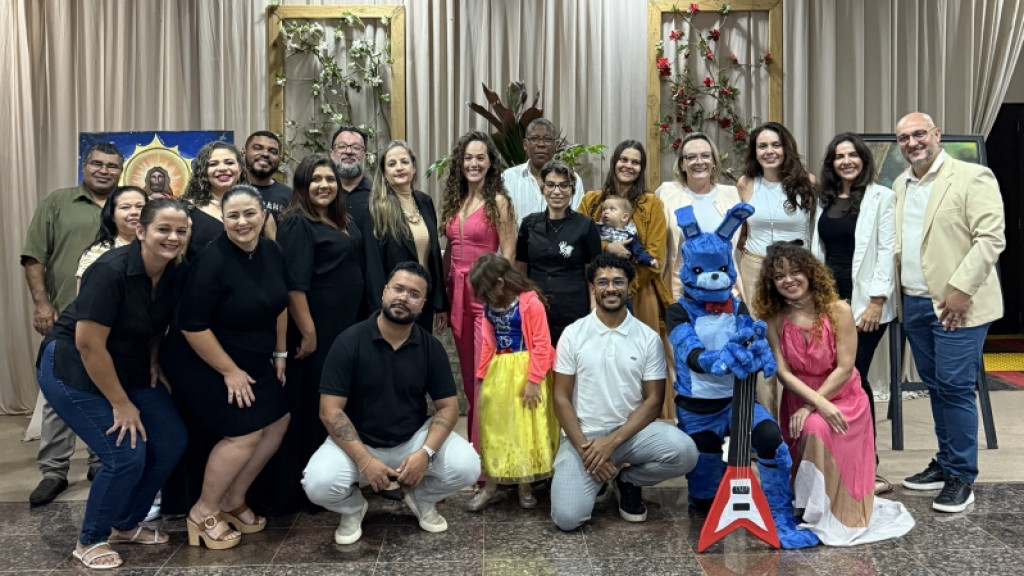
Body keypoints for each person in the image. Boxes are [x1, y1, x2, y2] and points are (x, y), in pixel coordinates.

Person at [36, 198, 190, 569]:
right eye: (163, 229)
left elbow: (156, 324)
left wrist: (154, 359)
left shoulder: (175, 271)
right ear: (141, 230)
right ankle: (90, 539)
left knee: (170, 441)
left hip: (128, 363)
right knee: (125, 453)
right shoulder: (109, 270)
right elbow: (89, 345)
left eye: (181, 231)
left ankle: (125, 524)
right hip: (73, 365)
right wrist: (121, 403)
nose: (172, 237)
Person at [302, 262, 480, 545]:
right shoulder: (349, 341)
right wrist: (365, 460)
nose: (403, 298)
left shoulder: (430, 348)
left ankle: (422, 499)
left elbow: (448, 407)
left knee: (468, 466)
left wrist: (425, 453)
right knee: (317, 484)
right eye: (398, 289)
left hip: (412, 440)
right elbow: (330, 411)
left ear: (422, 304)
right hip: (359, 441)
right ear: (385, 292)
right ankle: (353, 508)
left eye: (414, 294)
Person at [754, 242, 915, 545]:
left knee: (814, 427)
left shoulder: (839, 310)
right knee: (808, 424)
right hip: (800, 395)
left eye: (795, 271)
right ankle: (807, 505)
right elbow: (783, 372)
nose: (788, 280)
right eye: (779, 276)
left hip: (842, 397)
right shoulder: (774, 318)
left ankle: (827, 510)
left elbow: (845, 367)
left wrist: (815, 406)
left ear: (809, 273)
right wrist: (810, 404)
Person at [160, 185, 290, 548]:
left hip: (251, 357)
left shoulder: (272, 251)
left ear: (263, 215)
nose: (242, 222)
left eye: (249, 213)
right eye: (233, 216)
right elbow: (192, 327)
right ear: (223, 220)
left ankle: (234, 499)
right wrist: (229, 372)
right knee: (244, 433)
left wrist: (280, 353)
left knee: (278, 420)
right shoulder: (212, 260)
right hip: (201, 360)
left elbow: (279, 303)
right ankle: (203, 511)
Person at [893, 112, 1006, 513]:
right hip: (915, 302)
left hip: (957, 304)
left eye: (919, 134)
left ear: (936, 134)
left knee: (955, 388)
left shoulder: (973, 177)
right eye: (904, 138)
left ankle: (961, 475)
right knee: (937, 386)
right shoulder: (900, 183)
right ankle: (945, 462)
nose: (912, 143)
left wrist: (960, 290)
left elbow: (990, 238)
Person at [267, 153, 382, 514]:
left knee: (343, 401)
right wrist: (309, 332)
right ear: (303, 185)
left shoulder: (342, 220)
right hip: (318, 329)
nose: (324, 185)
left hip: (346, 325)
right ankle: (309, 490)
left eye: (329, 179)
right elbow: (294, 286)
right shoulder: (296, 223)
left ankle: (342, 478)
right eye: (316, 179)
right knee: (315, 405)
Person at [550, 254, 697, 531]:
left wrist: (612, 442)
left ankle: (627, 479)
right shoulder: (573, 333)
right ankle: (597, 474)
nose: (611, 288)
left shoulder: (647, 338)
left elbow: (654, 401)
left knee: (686, 452)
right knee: (567, 519)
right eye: (602, 282)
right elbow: (560, 398)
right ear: (593, 288)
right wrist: (586, 451)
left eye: (618, 282)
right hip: (585, 438)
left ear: (630, 286)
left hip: (631, 435)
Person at [21, 142, 124, 506]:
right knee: (58, 395)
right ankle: (54, 470)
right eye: (97, 163)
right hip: (66, 316)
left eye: (112, 166)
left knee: (106, 390)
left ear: (121, 171)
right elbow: (34, 256)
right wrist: (41, 304)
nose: (104, 170)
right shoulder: (58, 202)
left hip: (116, 323)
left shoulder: (127, 205)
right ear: (84, 165)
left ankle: (100, 461)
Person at [811, 133, 897, 495]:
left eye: (852, 154)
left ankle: (867, 466)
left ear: (863, 159)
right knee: (831, 377)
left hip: (865, 306)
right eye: (839, 156)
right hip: (828, 303)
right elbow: (818, 250)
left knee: (854, 379)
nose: (846, 161)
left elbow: (887, 249)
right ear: (831, 163)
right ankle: (835, 459)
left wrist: (877, 300)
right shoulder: (824, 200)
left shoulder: (882, 197)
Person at [578, 141, 673, 419]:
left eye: (635, 162)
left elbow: (655, 255)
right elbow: (579, 243)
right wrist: (607, 248)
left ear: (641, 168)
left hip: (640, 293)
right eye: (624, 159)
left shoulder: (651, 204)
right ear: (614, 162)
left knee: (643, 362)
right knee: (601, 361)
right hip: (597, 293)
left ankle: (652, 425)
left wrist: (625, 290)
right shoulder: (591, 201)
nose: (628, 166)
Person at [439, 131, 516, 450]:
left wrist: (499, 298)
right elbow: (449, 251)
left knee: (484, 376)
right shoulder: (456, 200)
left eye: (479, 158)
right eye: (468, 157)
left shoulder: (498, 202)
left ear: (490, 163)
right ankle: (475, 450)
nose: (473, 163)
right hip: (455, 294)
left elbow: (508, 253)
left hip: (484, 295)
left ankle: (489, 456)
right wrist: (440, 299)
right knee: (469, 380)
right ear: (460, 162)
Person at [466, 253, 558, 511]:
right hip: (500, 371)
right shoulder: (489, 307)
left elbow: (542, 344)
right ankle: (491, 485)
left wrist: (533, 381)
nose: (483, 298)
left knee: (523, 429)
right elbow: (488, 343)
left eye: (486, 290)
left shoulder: (530, 303)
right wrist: (482, 376)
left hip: (526, 371)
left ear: (500, 283)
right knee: (496, 428)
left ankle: (524, 486)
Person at [737, 122, 817, 416]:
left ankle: (796, 415)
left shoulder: (807, 182)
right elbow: (741, 230)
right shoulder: (745, 183)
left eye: (775, 145)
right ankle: (765, 421)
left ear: (786, 148)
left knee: (793, 339)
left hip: (795, 270)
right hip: (755, 266)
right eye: (762, 146)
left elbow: (814, 230)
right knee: (759, 341)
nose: (769, 151)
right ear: (755, 151)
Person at [366, 140, 449, 334]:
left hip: (423, 299)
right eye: (392, 164)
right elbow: (374, 266)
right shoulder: (376, 209)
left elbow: (434, 258)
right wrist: (380, 310)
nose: (399, 168)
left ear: (414, 167)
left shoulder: (425, 202)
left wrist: (440, 303)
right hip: (396, 303)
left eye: (404, 162)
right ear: (384, 172)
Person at [516, 160, 602, 345]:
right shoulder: (529, 224)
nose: (557, 191)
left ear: (572, 190)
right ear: (543, 188)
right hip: (536, 308)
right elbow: (520, 270)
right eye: (551, 185)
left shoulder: (585, 225)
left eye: (564, 185)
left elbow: (593, 274)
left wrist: (594, 309)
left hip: (573, 309)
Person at [657, 132, 742, 302]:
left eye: (705, 156)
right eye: (691, 157)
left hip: (724, 289)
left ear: (714, 162)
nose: (699, 161)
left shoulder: (732, 194)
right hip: (680, 290)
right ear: (682, 164)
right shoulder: (665, 193)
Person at [180, 141, 256, 259]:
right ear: (203, 171)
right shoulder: (186, 210)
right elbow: (178, 261)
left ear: (240, 169)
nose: (222, 168)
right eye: (213, 164)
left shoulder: (257, 210)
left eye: (229, 162)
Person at [502, 118, 584, 226]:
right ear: (525, 144)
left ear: (556, 145)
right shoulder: (508, 178)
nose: (541, 144)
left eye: (548, 139)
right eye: (534, 139)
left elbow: (577, 221)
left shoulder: (572, 179)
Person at [76, 186, 148, 289]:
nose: (134, 212)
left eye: (140, 206)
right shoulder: (97, 253)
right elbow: (87, 297)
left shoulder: (160, 247)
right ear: (112, 216)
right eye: (125, 207)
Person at [330, 125, 373, 230]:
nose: (348, 151)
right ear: (331, 154)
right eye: (341, 146)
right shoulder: (323, 194)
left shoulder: (378, 194)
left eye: (356, 147)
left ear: (365, 156)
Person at [597, 196, 658, 269]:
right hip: (600, 267)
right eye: (604, 209)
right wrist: (605, 247)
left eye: (612, 209)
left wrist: (649, 260)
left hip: (621, 268)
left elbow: (638, 250)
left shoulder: (629, 234)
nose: (606, 212)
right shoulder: (597, 228)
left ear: (624, 217)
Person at [243, 131, 291, 220]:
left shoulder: (289, 196)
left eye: (273, 151)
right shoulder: (230, 189)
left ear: (279, 158)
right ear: (244, 152)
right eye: (257, 148)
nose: (265, 154)